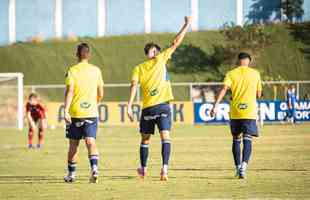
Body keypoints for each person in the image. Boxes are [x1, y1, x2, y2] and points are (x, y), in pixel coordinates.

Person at [127, 16, 192, 181]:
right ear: (155, 51)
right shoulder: (161, 59)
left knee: (145, 140)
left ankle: (143, 169)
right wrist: (186, 24)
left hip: (148, 108)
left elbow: (134, 86)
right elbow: (176, 42)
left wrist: (129, 106)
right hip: (162, 106)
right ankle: (164, 169)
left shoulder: (138, 68)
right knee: (165, 137)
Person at [210, 52, 262, 179]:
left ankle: (238, 167)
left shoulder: (231, 73)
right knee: (247, 138)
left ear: (239, 61)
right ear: (248, 61)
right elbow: (259, 94)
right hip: (249, 111)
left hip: (236, 111)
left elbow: (223, 89)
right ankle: (244, 166)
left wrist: (215, 105)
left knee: (236, 139)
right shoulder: (255, 73)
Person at [63, 43, 104, 183]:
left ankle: (71, 175)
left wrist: (66, 110)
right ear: (89, 55)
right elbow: (101, 93)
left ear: (77, 55)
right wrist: (95, 103)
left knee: (73, 145)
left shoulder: (72, 70)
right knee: (91, 141)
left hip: (75, 113)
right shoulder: (96, 70)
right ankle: (94, 169)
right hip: (91, 112)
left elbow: (70, 91)